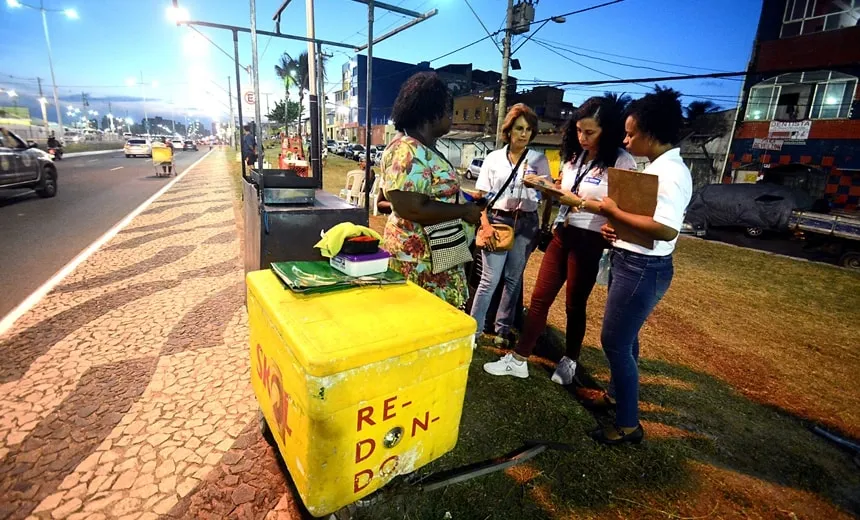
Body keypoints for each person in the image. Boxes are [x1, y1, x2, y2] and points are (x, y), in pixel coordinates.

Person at [483, 96, 636, 381]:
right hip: (563, 233)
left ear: (608, 129)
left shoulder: (621, 161)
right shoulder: (575, 156)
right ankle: (519, 359)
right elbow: (561, 190)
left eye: (590, 132)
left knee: (574, 305)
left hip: (591, 240)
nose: (582, 137)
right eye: (578, 130)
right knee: (539, 298)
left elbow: (623, 208)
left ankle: (570, 359)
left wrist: (577, 201)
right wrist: (545, 186)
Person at [588, 87, 693, 445]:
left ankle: (628, 424)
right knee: (626, 339)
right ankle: (618, 398)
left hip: (642, 268)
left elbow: (666, 227)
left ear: (650, 133)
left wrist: (614, 212)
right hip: (634, 259)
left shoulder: (670, 173)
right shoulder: (660, 167)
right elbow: (646, 220)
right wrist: (618, 228)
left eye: (631, 133)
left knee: (614, 342)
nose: (626, 139)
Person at [381, 72, 482, 309]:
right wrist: (463, 211)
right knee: (421, 320)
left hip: (438, 255)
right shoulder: (407, 151)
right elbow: (411, 208)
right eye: (449, 112)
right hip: (419, 261)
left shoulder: (425, 149)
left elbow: (434, 193)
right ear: (432, 113)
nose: (451, 118)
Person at [469, 104, 550, 348]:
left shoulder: (538, 159)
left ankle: (503, 329)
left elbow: (549, 196)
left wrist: (539, 185)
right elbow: (480, 196)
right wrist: (484, 224)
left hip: (525, 222)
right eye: (518, 128)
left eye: (528, 129)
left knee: (513, 279)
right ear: (508, 130)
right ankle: (475, 329)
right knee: (489, 279)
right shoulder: (493, 158)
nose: (523, 134)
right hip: (497, 220)